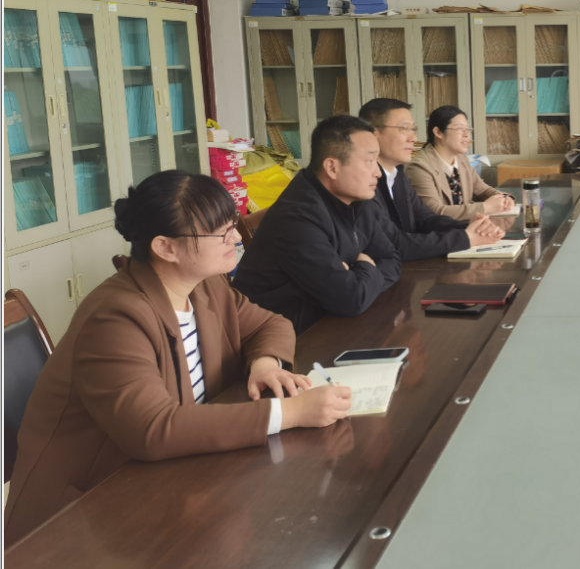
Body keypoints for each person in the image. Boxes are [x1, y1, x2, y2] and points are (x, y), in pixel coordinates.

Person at [3, 172, 352, 543]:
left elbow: (270, 324)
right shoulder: (115, 317)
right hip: (81, 519)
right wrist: (291, 413)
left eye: (233, 225)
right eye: (220, 233)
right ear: (166, 248)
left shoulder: (204, 285)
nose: (236, 238)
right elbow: (153, 428)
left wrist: (265, 364)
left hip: (174, 479)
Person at [233, 115, 402, 333]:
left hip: (328, 323)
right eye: (369, 161)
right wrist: (366, 266)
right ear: (332, 167)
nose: (378, 172)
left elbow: (392, 259)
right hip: (280, 339)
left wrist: (357, 278)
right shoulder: (297, 217)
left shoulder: (356, 201)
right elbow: (351, 299)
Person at [357, 98, 504, 260]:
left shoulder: (397, 174)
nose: (413, 138)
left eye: (413, 129)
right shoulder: (362, 184)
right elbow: (393, 243)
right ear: (372, 133)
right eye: (404, 128)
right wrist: (465, 237)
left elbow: (426, 219)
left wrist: (470, 227)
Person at [406, 105, 515, 221]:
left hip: (465, 227)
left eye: (468, 130)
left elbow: (482, 191)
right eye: (459, 129)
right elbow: (434, 212)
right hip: (440, 231)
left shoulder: (461, 159)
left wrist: (505, 198)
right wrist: (485, 207)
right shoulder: (419, 167)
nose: (467, 135)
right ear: (438, 132)